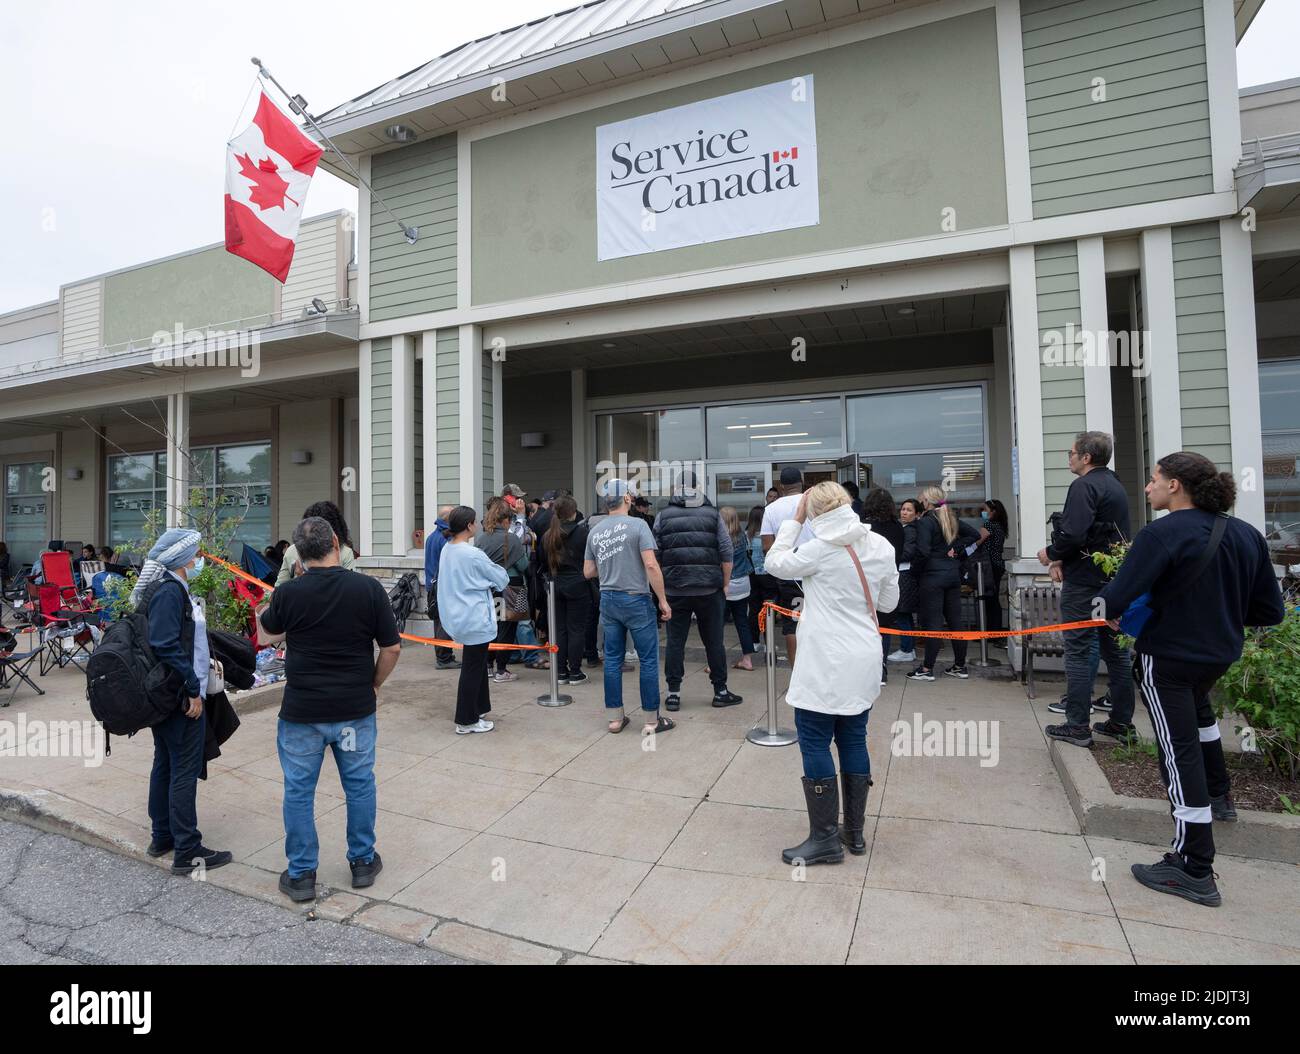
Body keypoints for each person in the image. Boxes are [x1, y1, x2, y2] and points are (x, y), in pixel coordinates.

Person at [1098, 453, 1285, 907]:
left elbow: (1116, 597)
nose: (1148, 488)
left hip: (1168, 658)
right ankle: (1220, 796)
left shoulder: (1161, 534)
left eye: (1154, 480)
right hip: (1218, 656)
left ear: (1176, 485)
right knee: (1202, 726)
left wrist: (1105, 611)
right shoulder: (1246, 535)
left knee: (1177, 752)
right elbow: (1270, 612)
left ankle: (1194, 865)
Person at [255, 517, 400, 901]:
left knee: (299, 791)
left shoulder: (289, 594)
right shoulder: (369, 589)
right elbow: (392, 647)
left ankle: (302, 874)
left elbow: (267, 634)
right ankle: (363, 862)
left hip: (303, 712)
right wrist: (373, 683)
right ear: (337, 542)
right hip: (354, 708)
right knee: (359, 785)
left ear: (298, 557)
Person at [766, 482, 899, 865]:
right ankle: (853, 834)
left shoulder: (818, 549)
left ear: (813, 513)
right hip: (863, 656)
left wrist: (792, 522)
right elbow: (889, 602)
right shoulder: (880, 546)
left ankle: (824, 838)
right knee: (853, 739)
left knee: (814, 740)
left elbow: (774, 562)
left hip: (824, 660)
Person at [131, 527, 232, 877]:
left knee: (166, 764)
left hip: (166, 695)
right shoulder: (170, 592)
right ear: (184, 560)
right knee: (183, 770)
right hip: (178, 697)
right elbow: (164, 642)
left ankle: (163, 836)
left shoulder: (169, 589)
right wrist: (192, 686)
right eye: (197, 555)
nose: (200, 560)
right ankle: (187, 848)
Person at [1040, 431, 1136, 747]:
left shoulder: (1084, 485)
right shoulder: (1116, 485)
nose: (1067, 458)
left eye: (1070, 453)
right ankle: (1121, 723)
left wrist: (1051, 554)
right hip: (1112, 581)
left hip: (1084, 584)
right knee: (1116, 652)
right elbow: (1100, 534)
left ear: (1085, 457)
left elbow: (1073, 534)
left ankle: (1077, 725)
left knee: (1079, 651)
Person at [584, 480, 674, 735]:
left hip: (608, 599)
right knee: (647, 660)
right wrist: (664, 600)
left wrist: (610, 563)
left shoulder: (596, 530)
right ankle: (651, 720)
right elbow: (652, 565)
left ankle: (615, 719)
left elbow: (588, 571)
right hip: (636, 599)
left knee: (612, 659)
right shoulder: (638, 525)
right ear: (625, 498)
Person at [654, 469, 743, 711]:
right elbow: (727, 553)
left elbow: (655, 556)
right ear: (698, 487)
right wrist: (724, 583)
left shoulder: (663, 516)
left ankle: (673, 694)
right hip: (708, 589)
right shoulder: (712, 515)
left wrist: (662, 590)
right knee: (714, 641)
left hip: (675, 590)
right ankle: (720, 691)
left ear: (676, 488)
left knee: (675, 642)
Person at [437, 506, 509, 734]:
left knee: (476, 667)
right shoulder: (472, 553)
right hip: (474, 617)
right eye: (474, 522)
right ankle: (466, 720)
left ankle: (479, 709)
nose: (477, 525)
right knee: (472, 668)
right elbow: (500, 577)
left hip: (458, 616)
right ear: (468, 525)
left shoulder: (447, 549)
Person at [906, 486, 980, 681]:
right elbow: (975, 535)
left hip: (932, 577)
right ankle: (959, 666)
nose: (919, 501)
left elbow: (922, 552)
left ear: (926, 502)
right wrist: (956, 550)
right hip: (952, 574)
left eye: (920, 498)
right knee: (956, 621)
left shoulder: (926, 522)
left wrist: (914, 571)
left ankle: (927, 669)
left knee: (933, 623)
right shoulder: (950, 518)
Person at [762, 467, 816, 667]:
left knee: (793, 623)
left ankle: (797, 669)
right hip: (817, 572)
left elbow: (767, 546)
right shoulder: (815, 503)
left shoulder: (772, 508)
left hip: (790, 575)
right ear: (802, 482)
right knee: (819, 621)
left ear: (782, 486)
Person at [475, 497, 530, 682]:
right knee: (507, 628)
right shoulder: (511, 538)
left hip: (488, 588)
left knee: (492, 626)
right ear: (505, 519)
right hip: (510, 587)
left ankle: (488, 666)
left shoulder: (481, 539)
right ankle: (502, 670)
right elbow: (523, 565)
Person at [543, 495, 591, 685]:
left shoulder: (548, 535)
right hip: (578, 584)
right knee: (576, 630)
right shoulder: (582, 534)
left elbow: (541, 561)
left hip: (555, 584)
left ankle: (561, 671)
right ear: (573, 512)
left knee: (560, 630)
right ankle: (575, 671)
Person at [861, 487, 904, 685]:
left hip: (864, 581)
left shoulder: (864, 527)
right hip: (888, 580)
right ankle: (882, 667)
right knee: (884, 627)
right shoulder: (898, 527)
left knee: (865, 627)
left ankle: (867, 668)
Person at [276, 501, 357, 585]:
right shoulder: (345, 552)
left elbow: (278, 588)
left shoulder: (292, 551)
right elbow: (348, 586)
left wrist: (300, 578)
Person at [719, 506, 757, 672]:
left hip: (726, 586)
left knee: (716, 625)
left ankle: (715, 664)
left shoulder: (720, 538)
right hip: (743, 583)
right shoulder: (743, 536)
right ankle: (747, 660)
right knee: (742, 622)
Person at [887, 498, 923, 664]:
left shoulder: (910, 530)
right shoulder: (905, 528)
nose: (904, 512)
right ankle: (909, 648)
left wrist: (889, 558)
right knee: (905, 614)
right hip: (905, 575)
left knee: (902, 613)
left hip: (905, 576)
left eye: (909, 510)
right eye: (903, 509)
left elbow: (908, 553)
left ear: (917, 514)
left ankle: (906, 649)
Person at [423, 504, 458, 670]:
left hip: (432, 584)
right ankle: (444, 658)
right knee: (444, 622)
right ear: (448, 519)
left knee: (439, 621)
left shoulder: (431, 537)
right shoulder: (445, 539)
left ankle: (444, 655)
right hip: (441, 585)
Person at [974, 499, 1009, 642]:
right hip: (998, 563)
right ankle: (994, 632)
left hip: (988, 565)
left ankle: (989, 633)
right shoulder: (1000, 526)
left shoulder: (988, 525)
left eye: (985, 509)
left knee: (988, 599)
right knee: (993, 599)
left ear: (993, 511)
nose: (983, 512)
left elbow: (978, 542)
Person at [745, 504, 778, 648]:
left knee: (754, 609)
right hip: (768, 576)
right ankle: (768, 643)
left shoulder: (746, 536)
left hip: (752, 576)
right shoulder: (768, 537)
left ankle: (754, 641)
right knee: (768, 610)